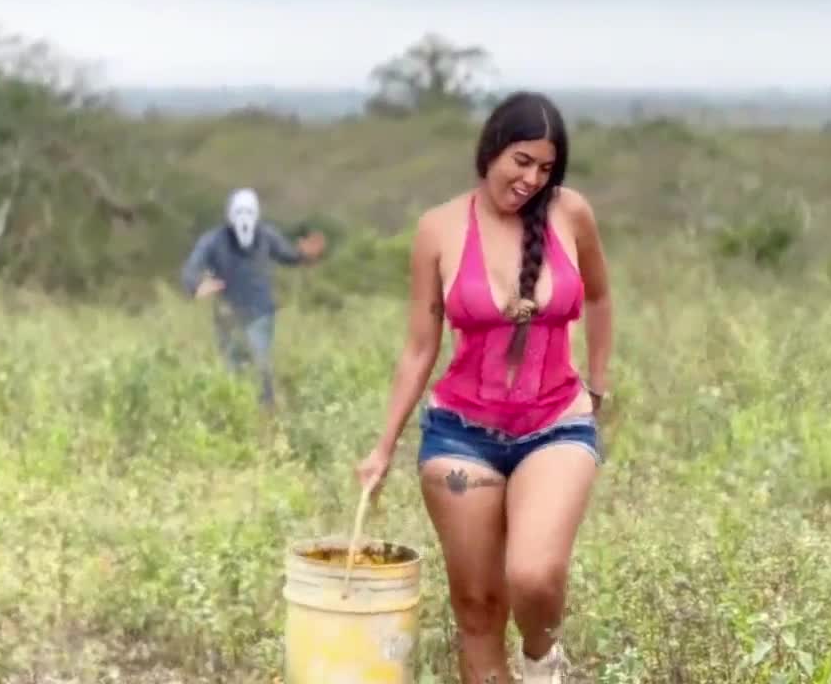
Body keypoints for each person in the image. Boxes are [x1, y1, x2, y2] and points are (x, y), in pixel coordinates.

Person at [355, 92, 613, 684]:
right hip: (460, 436)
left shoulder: (570, 213)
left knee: (533, 575)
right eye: (522, 161)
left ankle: (542, 663)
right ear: (491, 149)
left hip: (556, 425)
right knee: (477, 608)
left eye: (545, 168)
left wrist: (598, 385)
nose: (531, 180)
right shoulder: (438, 228)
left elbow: (599, 297)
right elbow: (419, 347)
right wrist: (383, 447)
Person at [180, 187, 326, 408]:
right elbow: (191, 268)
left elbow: (288, 255)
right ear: (229, 214)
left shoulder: (267, 236)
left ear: (256, 214)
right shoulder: (213, 240)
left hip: (260, 314)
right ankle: (236, 412)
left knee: (259, 364)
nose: (244, 218)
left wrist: (304, 255)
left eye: (248, 212)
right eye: (239, 212)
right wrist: (196, 285)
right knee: (232, 367)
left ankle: (265, 412)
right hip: (228, 316)